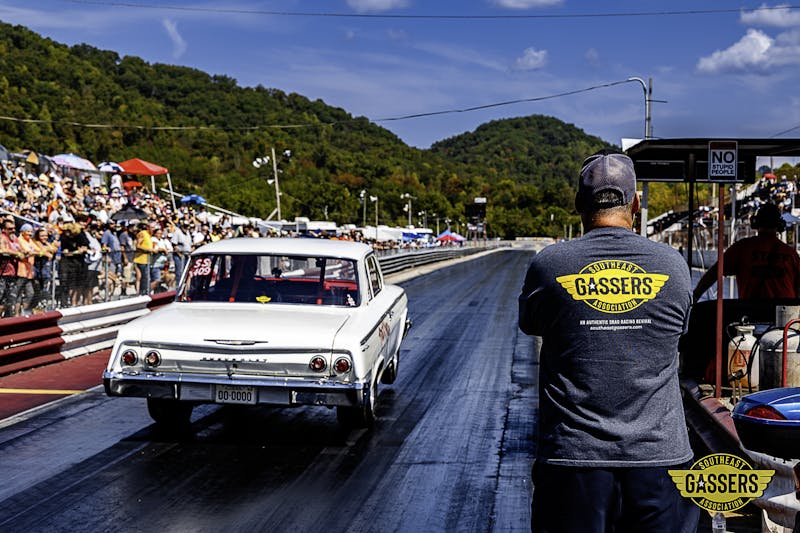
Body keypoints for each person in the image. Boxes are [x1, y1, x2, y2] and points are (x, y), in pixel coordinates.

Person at [518, 150, 698, 533]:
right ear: (636, 204)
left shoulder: (549, 265)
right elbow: (680, 333)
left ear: (578, 204)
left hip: (572, 460)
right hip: (659, 460)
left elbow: (530, 324)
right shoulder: (672, 266)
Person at [693, 202, 800, 301]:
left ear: (756, 222)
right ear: (780, 225)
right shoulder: (791, 254)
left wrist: (696, 295)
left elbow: (714, 272)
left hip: (750, 312)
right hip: (785, 313)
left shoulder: (742, 248)